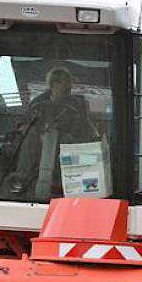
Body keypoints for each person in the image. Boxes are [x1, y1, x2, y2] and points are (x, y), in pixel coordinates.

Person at [6, 66, 100, 198]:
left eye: (69, 83)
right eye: (63, 82)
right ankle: (23, 178)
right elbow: (25, 123)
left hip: (66, 143)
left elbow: (85, 127)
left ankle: (69, 181)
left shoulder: (78, 103)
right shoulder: (37, 102)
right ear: (53, 84)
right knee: (30, 136)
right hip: (39, 144)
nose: (68, 87)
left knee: (66, 140)